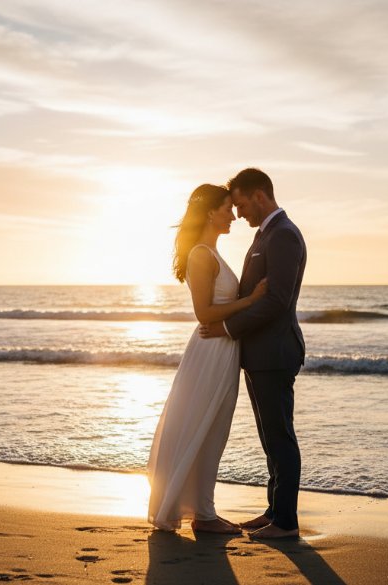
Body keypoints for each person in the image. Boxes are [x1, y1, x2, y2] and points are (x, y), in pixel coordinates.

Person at [147, 183, 267, 534]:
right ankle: (204, 515)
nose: (233, 215)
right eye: (228, 208)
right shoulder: (201, 254)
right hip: (210, 352)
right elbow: (204, 312)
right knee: (205, 427)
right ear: (211, 212)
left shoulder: (211, 253)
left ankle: (203, 511)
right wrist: (251, 300)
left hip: (222, 350)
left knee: (214, 429)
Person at [200, 168, 307, 540]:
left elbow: (276, 300)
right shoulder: (266, 234)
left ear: (260, 195)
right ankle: (274, 510)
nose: (240, 212)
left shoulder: (283, 236)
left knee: (280, 437)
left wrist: (227, 328)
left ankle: (286, 523)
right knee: (269, 438)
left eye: (242, 204)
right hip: (260, 353)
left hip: (275, 352)